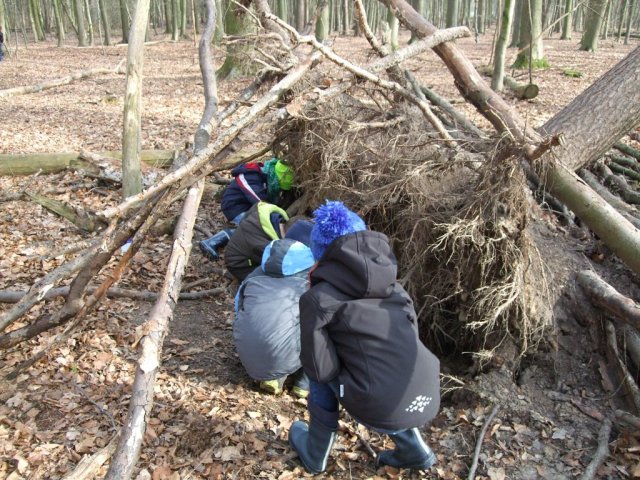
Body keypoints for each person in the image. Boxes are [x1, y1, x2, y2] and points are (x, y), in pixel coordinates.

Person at [288, 200, 441, 474]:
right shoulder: (396, 289)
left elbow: (320, 368)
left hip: (377, 404)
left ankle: (316, 451)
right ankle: (415, 449)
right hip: (427, 392)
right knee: (386, 368)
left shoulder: (318, 299)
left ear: (320, 252)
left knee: (320, 373)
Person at [233, 220, 315, 398]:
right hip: (281, 352)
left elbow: (238, 305)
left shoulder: (257, 272)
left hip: (247, 352)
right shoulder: (310, 278)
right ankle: (305, 383)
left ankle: (274, 378)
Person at [199, 158, 294, 261]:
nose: (278, 187)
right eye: (279, 184)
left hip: (251, 207)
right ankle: (212, 242)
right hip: (235, 206)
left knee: (262, 226)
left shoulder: (270, 179)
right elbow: (257, 199)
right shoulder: (250, 174)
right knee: (254, 228)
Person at [223, 201, 289, 282]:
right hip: (238, 265)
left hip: (244, 251)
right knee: (273, 280)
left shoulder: (267, 216)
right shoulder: (262, 243)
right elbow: (275, 262)